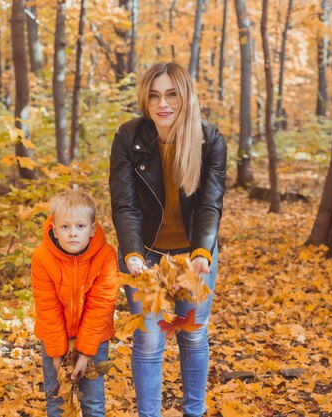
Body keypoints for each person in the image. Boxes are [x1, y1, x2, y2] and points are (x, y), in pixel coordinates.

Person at [109, 62, 227, 417]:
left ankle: (194, 412)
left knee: (192, 334)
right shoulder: (128, 137)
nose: (163, 104)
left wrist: (202, 254)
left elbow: (210, 203)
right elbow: (125, 205)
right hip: (144, 255)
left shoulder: (210, 140)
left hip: (193, 253)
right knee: (147, 340)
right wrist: (132, 256)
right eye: (155, 95)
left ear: (185, 96)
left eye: (172, 94)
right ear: (145, 100)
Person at [31, 190, 118, 417]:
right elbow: (47, 307)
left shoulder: (106, 256)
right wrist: (57, 353)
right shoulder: (42, 258)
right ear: (55, 229)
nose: (72, 233)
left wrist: (86, 353)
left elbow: (101, 306)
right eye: (65, 227)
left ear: (92, 229)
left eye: (80, 226)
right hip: (54, 336)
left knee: (93, 400)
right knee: (57, 400)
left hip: (95, 336)